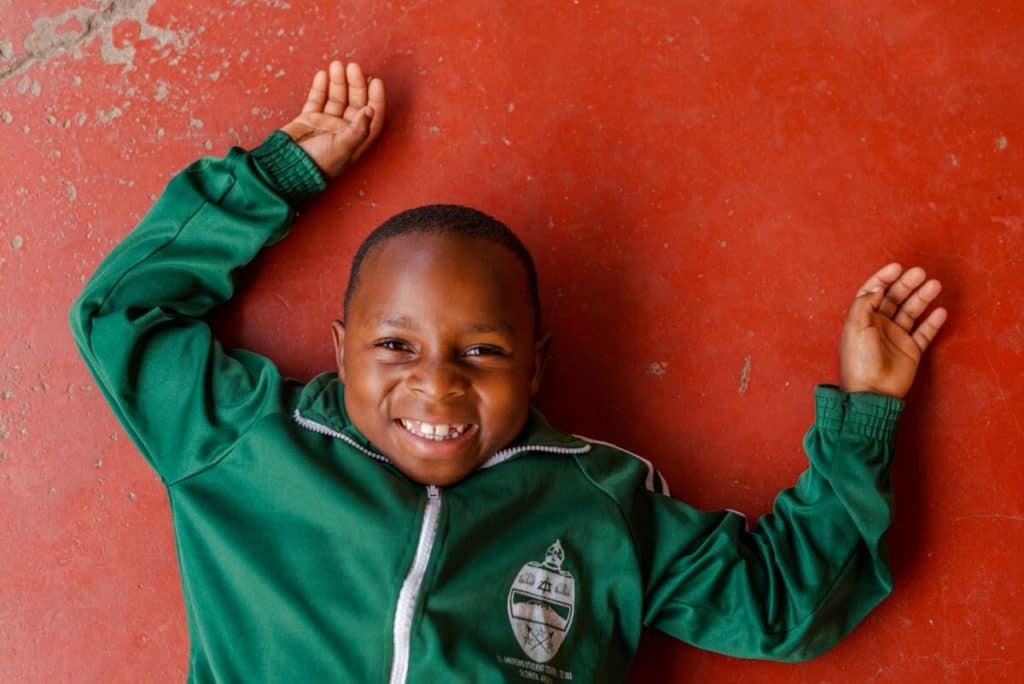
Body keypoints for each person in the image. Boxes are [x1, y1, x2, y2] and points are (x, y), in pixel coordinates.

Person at [69, 60, 948, 683]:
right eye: (394, 346)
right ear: (340, 350)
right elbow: (120, 317)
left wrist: (865, 414)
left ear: (537, 366)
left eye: (482, 352)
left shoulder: (604, 504)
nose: (437, 387)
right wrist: (277, 175)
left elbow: (782, 608)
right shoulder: (248, 443)